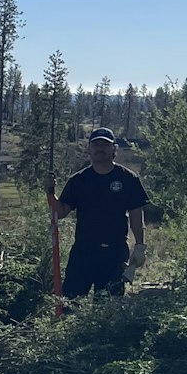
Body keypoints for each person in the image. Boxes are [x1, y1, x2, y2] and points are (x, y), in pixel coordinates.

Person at [50, 127, 150, 298]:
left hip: (114, 253)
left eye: (105, 144)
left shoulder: (128, 179)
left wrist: (140, 245)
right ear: (89, 149)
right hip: (83, 252)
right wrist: (50, 192)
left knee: (108, 308)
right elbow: (61, 212)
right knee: (70, 302)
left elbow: (135, 215)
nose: (100, 148)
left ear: (114, 149)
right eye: (96, 144)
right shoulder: (78, 180)